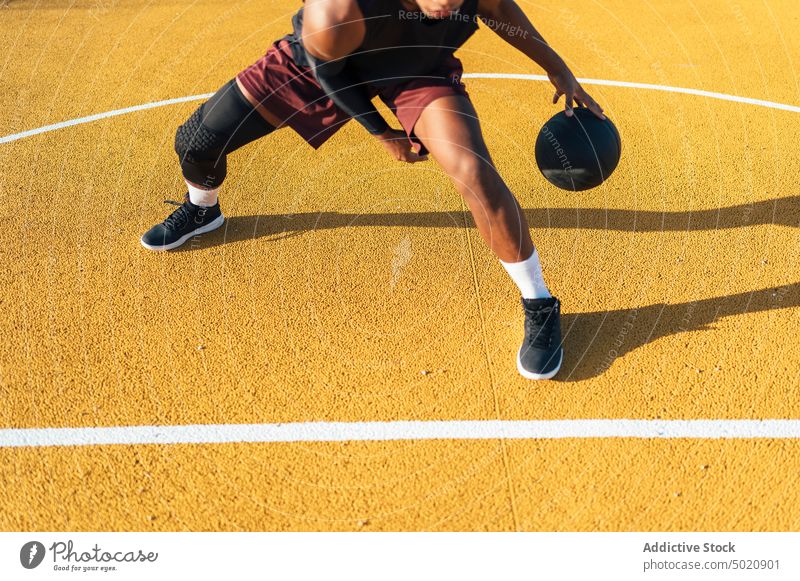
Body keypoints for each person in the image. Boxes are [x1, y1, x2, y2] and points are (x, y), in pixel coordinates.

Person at [140, 0, 606, 380]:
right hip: (322, 63)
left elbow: (500, 8)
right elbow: (331, 73)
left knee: (474, 172)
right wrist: (384, 133)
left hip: (414, 65)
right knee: (197, 143)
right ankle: (204, 209)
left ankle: (539, 302)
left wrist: (558, 69)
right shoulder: (335, 11)